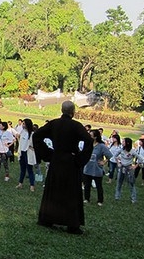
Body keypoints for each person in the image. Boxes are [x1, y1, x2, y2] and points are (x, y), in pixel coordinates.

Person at [33, 100, 93, 235]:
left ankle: (47, 219)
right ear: (73, 112)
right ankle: (72, 224)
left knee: (53, 189)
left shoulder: (54, 124)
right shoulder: (76, 126)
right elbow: (89, 141)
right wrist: (80, 159)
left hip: (56, 160)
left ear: (61, 110)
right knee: (71, 193)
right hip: (71, 162)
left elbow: (37, 135)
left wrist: (47, 154)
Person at [83, 129, 112, 206]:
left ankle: (100, 200)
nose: (89, 136)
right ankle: (86, 198)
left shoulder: (101, 146)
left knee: (98, 186)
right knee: (87, 185)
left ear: (95, 137)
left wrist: (104, 162)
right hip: (87, 168)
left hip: (97, 169)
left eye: (91, 135)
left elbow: (110, 156)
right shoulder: (88, 144)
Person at [114, 137, 144, 203]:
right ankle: (117, 196)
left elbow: (140, 159)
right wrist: (118, 163)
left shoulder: (132, 151)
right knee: (119, 182)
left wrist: (135, 166)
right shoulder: (121, 150)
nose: (122, 143)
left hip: (129, 169)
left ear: (127, 143)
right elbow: (115, 156)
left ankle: (133, 198)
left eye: (123, 142)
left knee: (131, 183)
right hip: (122, 167)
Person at [16, 118, 36, 192]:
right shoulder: (23, 132)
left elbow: (34, 144)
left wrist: (32, 147)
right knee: (22, 169)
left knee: (30, 169)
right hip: (22, 152)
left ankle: (32, 185)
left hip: (28, 153)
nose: (23, 125)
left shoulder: (32, 134)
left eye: (24, 124)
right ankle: (20, 183)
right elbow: (21, 142)